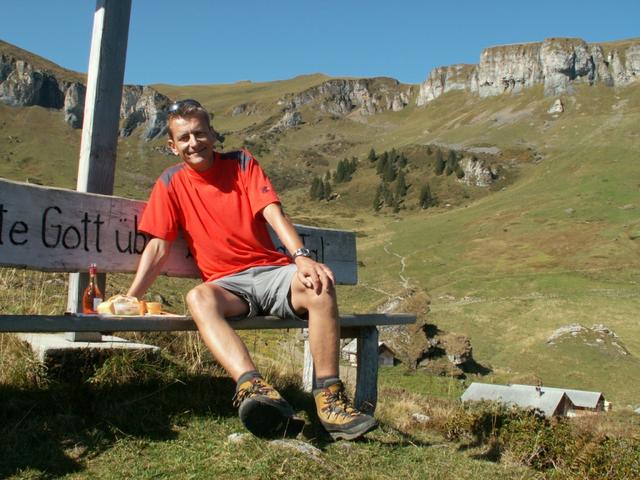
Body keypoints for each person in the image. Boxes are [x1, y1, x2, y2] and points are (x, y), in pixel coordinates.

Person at [127, 99, 378, 441]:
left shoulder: (242, 163)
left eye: (200, 134)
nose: (193, 143)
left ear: (213, 134)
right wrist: (131, 297)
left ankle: (329, 401)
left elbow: (273, 213)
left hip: (271, 273)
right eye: (184, 138)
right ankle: (255, 389)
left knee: (319, 286)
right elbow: (158, 245)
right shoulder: (170, 183)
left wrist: (302, 258)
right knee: (198, 298)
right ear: (172, 146)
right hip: (228, 288)